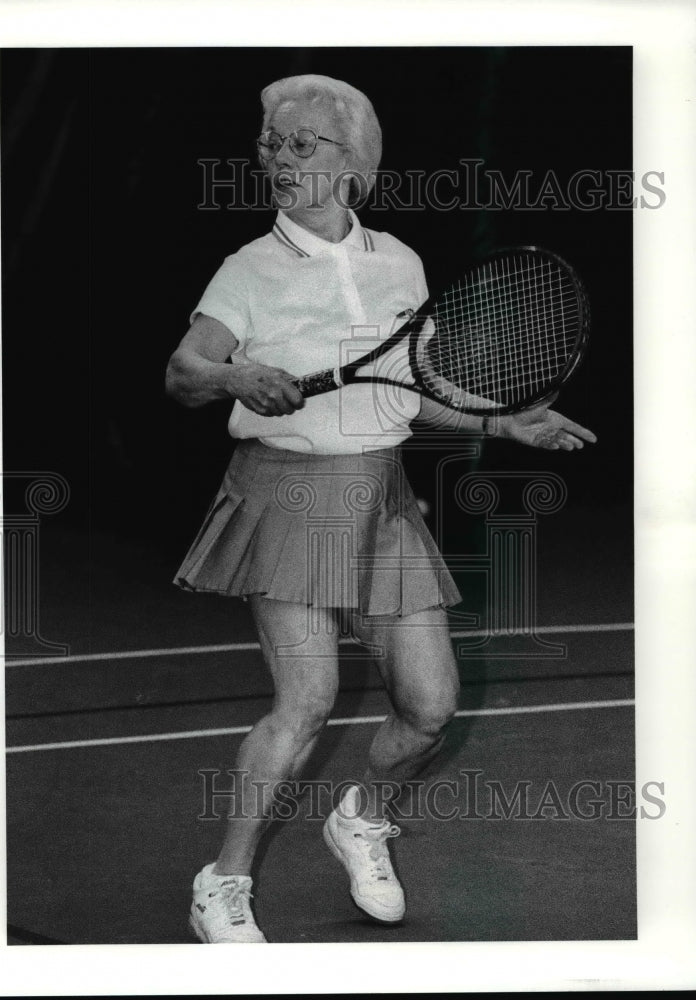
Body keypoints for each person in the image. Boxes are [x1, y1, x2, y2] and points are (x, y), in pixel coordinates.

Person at [165, 74, 596, 944]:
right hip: (285, 496)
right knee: (308, 699)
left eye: (302, 145)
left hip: (381, 497)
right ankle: (223, 881)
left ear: (353, 164)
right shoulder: (245, 270)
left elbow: (414, 386)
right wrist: (232, 376)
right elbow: (181, 374)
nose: (279, 160)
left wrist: (499, 418)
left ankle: (361, 818)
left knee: (431, 707)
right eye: (272, 144)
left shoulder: (399, 263)